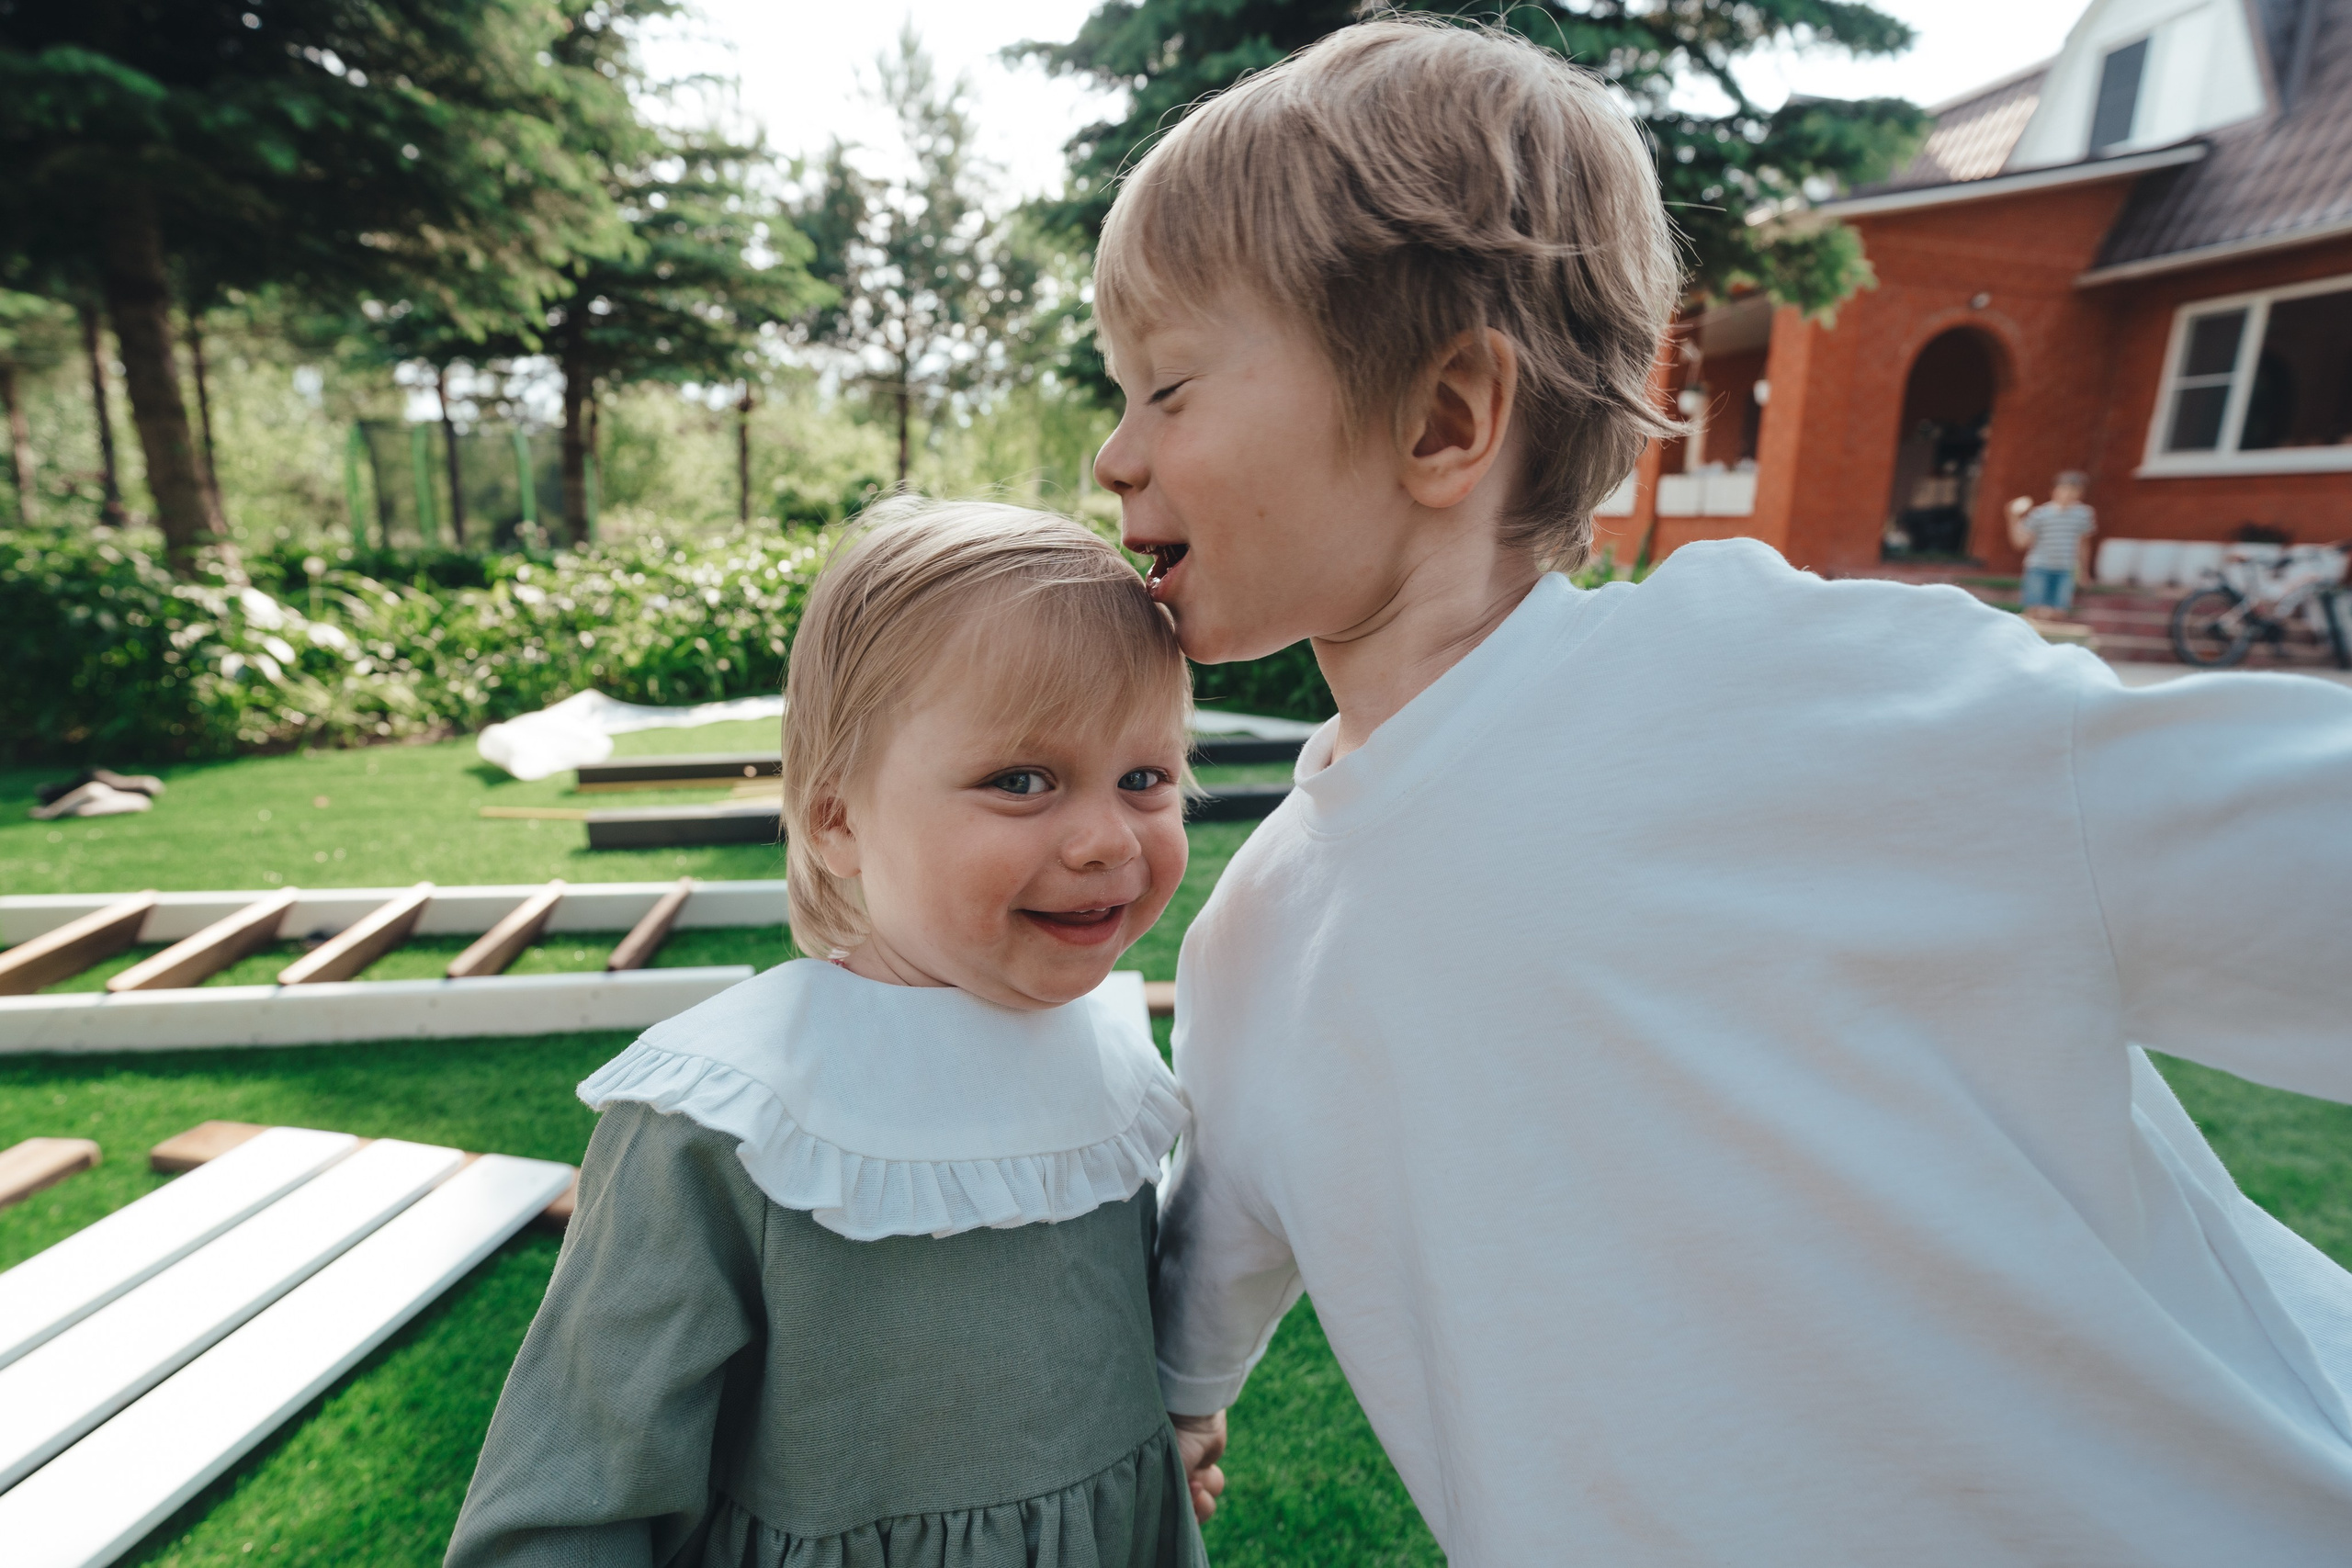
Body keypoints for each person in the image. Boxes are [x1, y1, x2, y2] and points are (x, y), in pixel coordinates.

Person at [1091, 17, 2352, 1566]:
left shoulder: (1828, 707)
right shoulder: (1256, 938)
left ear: (1444, 420)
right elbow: (1172, 1351)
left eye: (1163, 388)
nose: (1111, 453)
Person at [446, 499, 1208, 1568]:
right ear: (837, 819)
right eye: (1020, 780)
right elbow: (577, 1494)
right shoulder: (728, 1116)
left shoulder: (1116, 1070)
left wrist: (1151, 1437)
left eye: (1146, 778)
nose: (1104, 839)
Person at [2007, 471, 2098, 619]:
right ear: (2054, 491)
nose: (2069, 494)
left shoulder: (2084, 515)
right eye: (2065, 489)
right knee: (2033, 612)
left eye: (2074, 490)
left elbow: (2083, 544)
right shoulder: (2040, 514)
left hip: (2065, 569)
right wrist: (2012, 516)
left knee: (2059, 613)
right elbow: (2020, 543)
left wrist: (2084, 571)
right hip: (2039, 567)